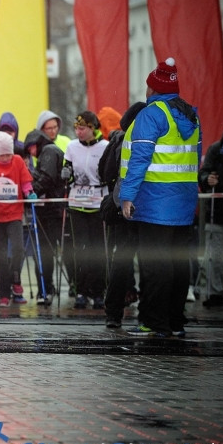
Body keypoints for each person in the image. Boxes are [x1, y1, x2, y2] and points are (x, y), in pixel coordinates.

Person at [121, 58, 201, 338]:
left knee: (155, 265)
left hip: (154, 202)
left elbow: (139, 159)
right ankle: (175, 321)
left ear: (153, 88)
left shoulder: (152, 114)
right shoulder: (190, 115)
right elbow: (195, 159)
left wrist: (127, 196)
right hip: (183, 203)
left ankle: (154, 322)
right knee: (178, 264)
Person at [100, 102, 145, 327]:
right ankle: (148, 312)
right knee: (148, 261)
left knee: (121, 260)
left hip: (121, 208)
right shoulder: (143, 140)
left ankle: (113, 312)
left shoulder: (118, 140)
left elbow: (104, 172)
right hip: (144, 208)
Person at [0, 131, 36, 305]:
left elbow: (25, 181)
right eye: (2, 155)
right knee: (1, 255)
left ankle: (15, 278)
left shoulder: (18, 161)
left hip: (14, 214)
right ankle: (4, 293)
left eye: (8, 155)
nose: (5, 158)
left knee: (19, 250)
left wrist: (29, 192)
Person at [62, 110, 109, 309]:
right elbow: (67, 168)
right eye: (76, 128)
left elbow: (110, 172)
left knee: (97, 249)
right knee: (80, 249)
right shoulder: (72, 147)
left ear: (92, 128)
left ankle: (98, 292)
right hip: (77, 204)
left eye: (82, 129)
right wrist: (66, 173)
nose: (78, 132)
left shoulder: (105, 146)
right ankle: (81, 291)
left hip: (97, 204)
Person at [25, 127, 66, 305]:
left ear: (37, 143)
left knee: (44, 252)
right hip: (53, 209)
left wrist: (29, 193)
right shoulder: (50, 152)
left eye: (30, 148)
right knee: (49, 252)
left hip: (52, 211)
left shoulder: (48, 151)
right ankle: (47, 288)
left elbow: (46, 179)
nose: (31, 153)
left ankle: (46, 289)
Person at [197, 135, 223, 308]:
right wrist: (207, 179)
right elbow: (203, 172)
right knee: (216, 256)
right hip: (218, 209)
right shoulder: (216, 149)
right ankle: (215, 292)